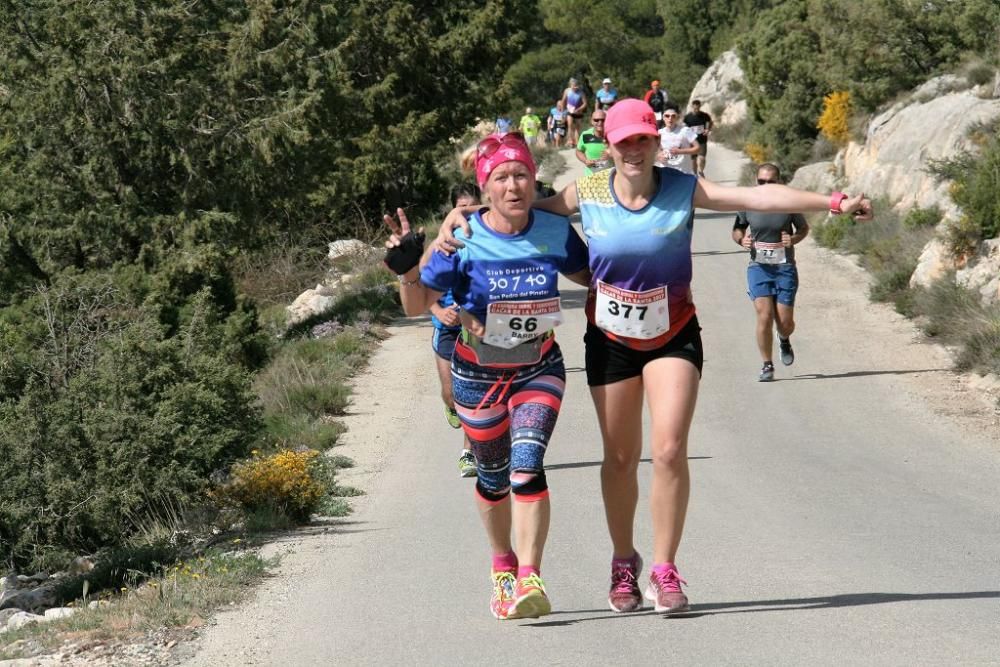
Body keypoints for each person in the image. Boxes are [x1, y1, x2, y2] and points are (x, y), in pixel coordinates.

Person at [432, 98, 872, 616]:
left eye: (643, 139)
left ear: (654, 142)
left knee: (667, 450)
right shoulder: (587, 191)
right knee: (619, 459)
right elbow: (511, 209)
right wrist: (452, 224)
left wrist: (834, 201)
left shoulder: (684, 189)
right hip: (611, 341)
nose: (634, 149)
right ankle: (624, 562)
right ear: (610, 148)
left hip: (673, 333)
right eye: (624, 142)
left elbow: (759, 194)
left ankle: (664, 568)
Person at [383, 132, 591, 620]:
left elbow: (594, 277)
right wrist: (407, 267)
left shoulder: (554, 231)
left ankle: (530, 576)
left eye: (521, 174)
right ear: (485, 187)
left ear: (534, 179)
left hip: (539, 368)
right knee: (494, 478)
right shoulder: (463, 238)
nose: (514, 185)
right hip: (476, 376)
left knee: (527, 465)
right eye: (502, 177)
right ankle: (503, 566)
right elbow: (416, 306)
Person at [731, 163, 810, 382]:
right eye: (761, 182)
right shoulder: (748, 203)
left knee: (785, 323)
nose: (765, 186)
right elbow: (738, 228)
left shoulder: (788, 204)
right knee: (764, 315)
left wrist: (793, 239)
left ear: (779, 182)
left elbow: (804, 229)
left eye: (770, 182)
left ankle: (784, 339)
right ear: (756, 181)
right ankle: (767, 365)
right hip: (759, 267)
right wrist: (741, 239)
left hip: (784, 268)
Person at [434, 183, 482, 475]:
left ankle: (469, 452)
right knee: (450, 393)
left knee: (472, 394)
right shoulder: (444, 241)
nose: (467, 213)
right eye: (461, 207)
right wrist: (440, 310)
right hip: (446, 326)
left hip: (474, 325)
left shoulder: (489, 237)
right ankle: (451, 405)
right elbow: (425, 290)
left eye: (472, 206)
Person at [656, 102, 700, 175]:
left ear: (677, 117)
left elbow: (697, 148)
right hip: (666, 173)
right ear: (663, 118)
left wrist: (680, 151)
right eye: (667, 116)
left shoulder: (685, 130)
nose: (670, 118)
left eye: (673, 116)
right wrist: (658, 156)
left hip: (684, 173)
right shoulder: (659, 133)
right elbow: (656, 151)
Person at [683, 100, 714, 178]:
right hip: (692, 142)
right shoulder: (688, 117)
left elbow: (709, 122)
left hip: (702, 140)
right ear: (692, 107)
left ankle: (701, 171)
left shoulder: (705, 115)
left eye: (698, 107)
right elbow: (684, 127)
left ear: (700, 107)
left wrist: (708, 129)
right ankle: (695, 175)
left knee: (702, 158)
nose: (696, 109)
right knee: (693, 160)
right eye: (695, 108)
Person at [575, 109, 610, 175]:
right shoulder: (585, 135)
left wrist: (611, 154)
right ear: (592, 121)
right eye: (596, 120)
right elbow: (578, 151)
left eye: (603, 120)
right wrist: (585, 160)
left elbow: (623, 152)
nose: (600, 123)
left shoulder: (612, 134)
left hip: (609, 177)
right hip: (591, 176)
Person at [561, 78, 588, 146]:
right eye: (574, 86)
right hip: (569, 111)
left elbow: (585, 103)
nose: (575, 88)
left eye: (577, 86)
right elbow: (563, 101)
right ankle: (570, 141)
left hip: (578, 112)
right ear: (570, 85)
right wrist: (563, 111)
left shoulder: (581, 92)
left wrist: (579, 109)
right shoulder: (567, 91)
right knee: (570, 125)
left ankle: (577, 141)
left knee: (577, 127)